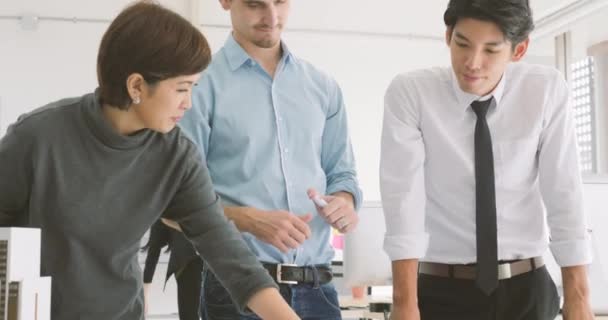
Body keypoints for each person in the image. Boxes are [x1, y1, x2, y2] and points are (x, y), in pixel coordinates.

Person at [0, 2, 301, 319]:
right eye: (181, 89)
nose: (188, 103)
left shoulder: (176, 156)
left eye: (193, 88)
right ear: (137, 86)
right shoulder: (38, 137)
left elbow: (226, 250)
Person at [380, 0, 595, 319]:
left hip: (527, 290)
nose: (472, 62)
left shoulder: (545, 90)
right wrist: (403, 302)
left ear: (518, 51)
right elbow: (404, 202)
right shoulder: (412, 93)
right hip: (439, 291)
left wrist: (578, 297)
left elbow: (563, 191)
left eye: (491, 50)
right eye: (462, 44)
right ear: (448, 35)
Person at [179, 0, 362, 319]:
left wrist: (344, 202)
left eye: (280, 2)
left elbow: (342, 174)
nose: (271, 17)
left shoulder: (323, 87)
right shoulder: (198, 87)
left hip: (320, 289)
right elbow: (181, 199)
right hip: (237, 290)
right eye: (255, 4)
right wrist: (249, 219)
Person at [142, 220, 204, 319]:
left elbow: (154, 251)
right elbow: (154, 251)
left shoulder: (164, 209)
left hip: (191, 263)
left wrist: (145, 293)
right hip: (198, 262)